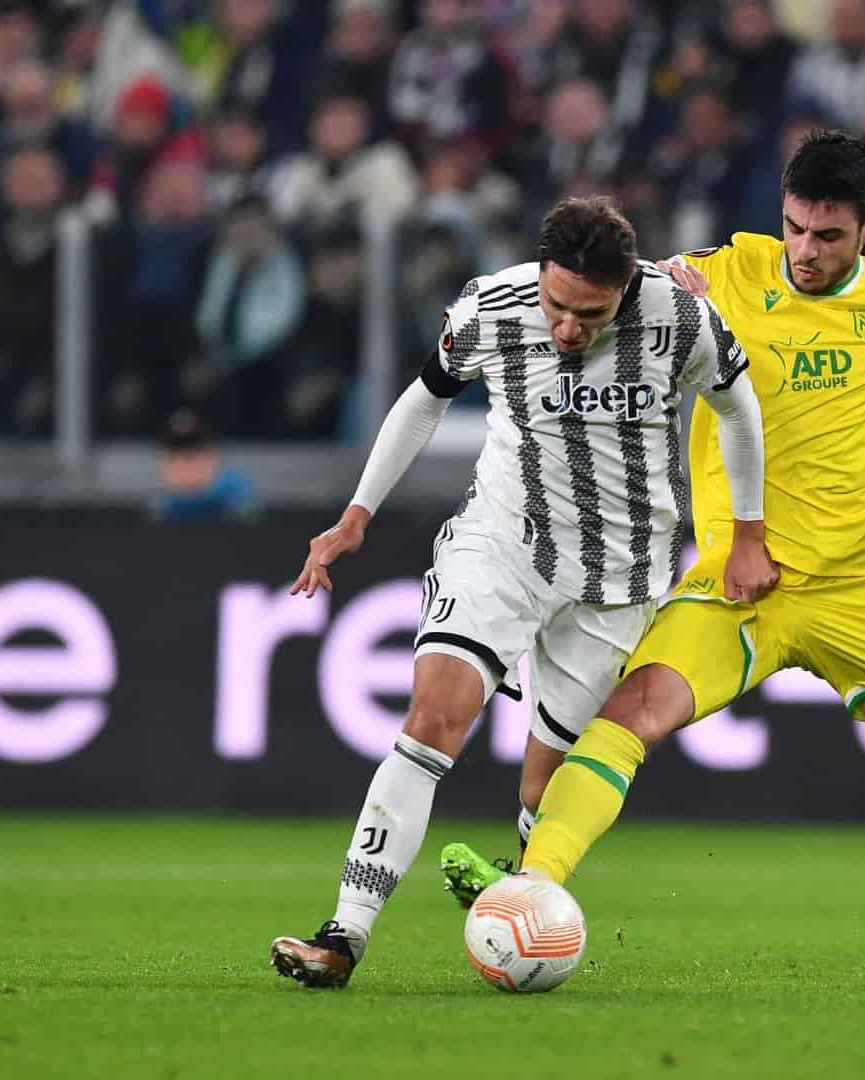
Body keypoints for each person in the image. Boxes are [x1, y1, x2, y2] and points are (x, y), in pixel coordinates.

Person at [442, 130, 865, 908]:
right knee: (629, 714)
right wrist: (664, 285)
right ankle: (529, 889)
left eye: (829, 235)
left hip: (856, 589)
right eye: (795, 227)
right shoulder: (727, 271)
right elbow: (615, 291)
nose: (805, 250)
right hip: (735, 580)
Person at [268, 196, 773, 989]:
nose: (570, 327)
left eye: (592, 313)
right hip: (505, 541)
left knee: (547, 789)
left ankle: (518, 900)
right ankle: (343, 934)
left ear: (624, 291)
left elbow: (739, 407)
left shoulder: (679, 316)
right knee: (434, 718)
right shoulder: (489, 306)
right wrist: (355, 517)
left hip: (621, 574)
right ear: (540, 277)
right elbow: (424, 398)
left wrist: (748, 533)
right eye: (558, 306)